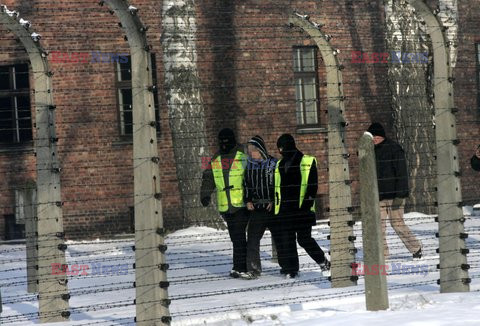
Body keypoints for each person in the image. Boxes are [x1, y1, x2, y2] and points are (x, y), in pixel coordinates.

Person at [272, 134, 330, 278]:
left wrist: (306, 205)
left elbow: (312, 186)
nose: (280, 151)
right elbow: (277, 187)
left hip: (302, 209)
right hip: (285, 209)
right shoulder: (279, 164)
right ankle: (292, 269)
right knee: (287, 239)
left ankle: (323, 261)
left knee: (304, 239)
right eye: (279, 148)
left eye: (282, 147)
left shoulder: (307, 161)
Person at [200, 128, 251, 279]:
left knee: (239, 236)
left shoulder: (243, 155)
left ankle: (240, 267)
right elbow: (208, 178)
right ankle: (242, 265)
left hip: (242, 203)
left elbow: (253, 175)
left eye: (226, 142)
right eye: (221, 142)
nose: (224, 145)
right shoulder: (216, 158)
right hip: (226, 206)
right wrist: (205, 195)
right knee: (235, 237)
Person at [367, 123, 422, 259]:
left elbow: (402, 173)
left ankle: (416, 247)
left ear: (381, 136)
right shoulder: (369, 151)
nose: (374, 139)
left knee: (397, 224)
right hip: (378, 196)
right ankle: (382, 255)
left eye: (376, 137)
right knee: (378, 227)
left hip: (394, 195)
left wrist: (401, 194)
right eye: (372, 137)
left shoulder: (394, 149)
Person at [244, 135, 278, 278]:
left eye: (255, 150)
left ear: (261, 150)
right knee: (252, 238)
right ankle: (253, 268)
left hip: (272, 207)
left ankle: (287, 267)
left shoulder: (274, 164)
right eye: (250, 150)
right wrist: (248, 200)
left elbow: (279, 184)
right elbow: (246, 184)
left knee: (280, 237)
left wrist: (273, 200)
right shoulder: (249, 166)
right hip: (257, 208)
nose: (252, 153)